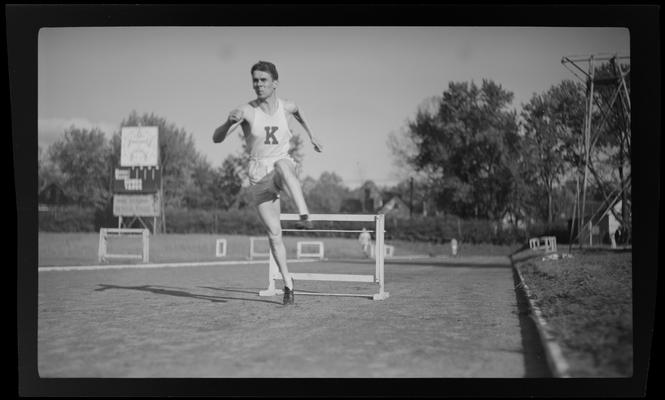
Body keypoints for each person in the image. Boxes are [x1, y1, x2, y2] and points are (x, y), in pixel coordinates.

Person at [213, 61, 323, 306]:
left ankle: (303, 210)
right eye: (255, 80)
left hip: (280, 167)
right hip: (257, 175)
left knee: (283, 165)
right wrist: (227, 122)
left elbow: (298, 110)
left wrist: (311, 134)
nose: (258, 85)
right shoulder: (246, 111)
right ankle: (288, 284)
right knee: (274, 235)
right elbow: (216, 138)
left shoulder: (286, 106)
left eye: (263, 80)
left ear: (275, 83)